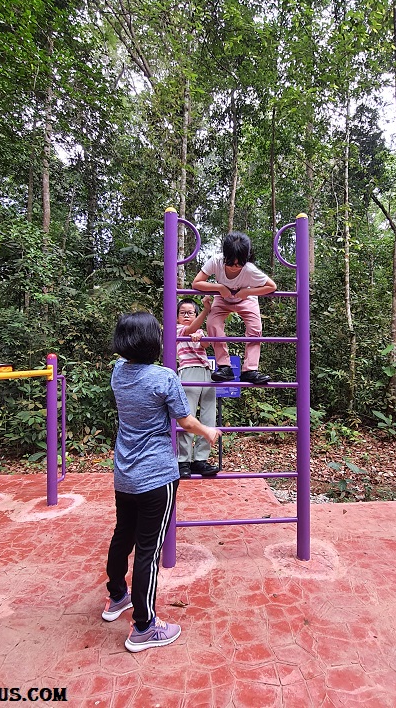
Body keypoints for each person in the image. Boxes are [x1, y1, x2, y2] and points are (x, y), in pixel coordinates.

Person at [102, 311, 221, 652]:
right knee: (148, 550)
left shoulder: (117, 372)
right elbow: (184, 420)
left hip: (124, 473)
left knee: (122, 534)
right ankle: (143, 626)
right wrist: (208, 431)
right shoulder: (164, 378)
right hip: (156, 476)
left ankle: (117, 598)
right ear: (151, 341)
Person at [192, 231, 276, 385]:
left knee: (255, 328)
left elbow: (271, 286)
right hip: (222, 299)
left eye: (239, 263)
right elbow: (196, 283)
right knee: (213, 323)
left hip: (246, 299)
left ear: (246, 259)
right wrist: (218, 287)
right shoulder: (215, 261)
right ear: (225, 256)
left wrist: (247, 292)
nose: (235, 267)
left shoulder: (250, 269)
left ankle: (250, 370)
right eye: (230, 263)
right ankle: (224, 367)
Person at [176, 296, 219, 478]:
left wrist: (201, 334)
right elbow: (189, 330)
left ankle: (201, 460)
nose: (186, 315)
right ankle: (183, 461)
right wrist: (205, 310)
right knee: (188, 415)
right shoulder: (177, 329)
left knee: (209, 416)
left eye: (190, 312)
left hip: (205, 370)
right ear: (177, 316)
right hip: (188, 371)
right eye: (183, 313)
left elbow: (207, 343)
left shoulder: (198, 330)